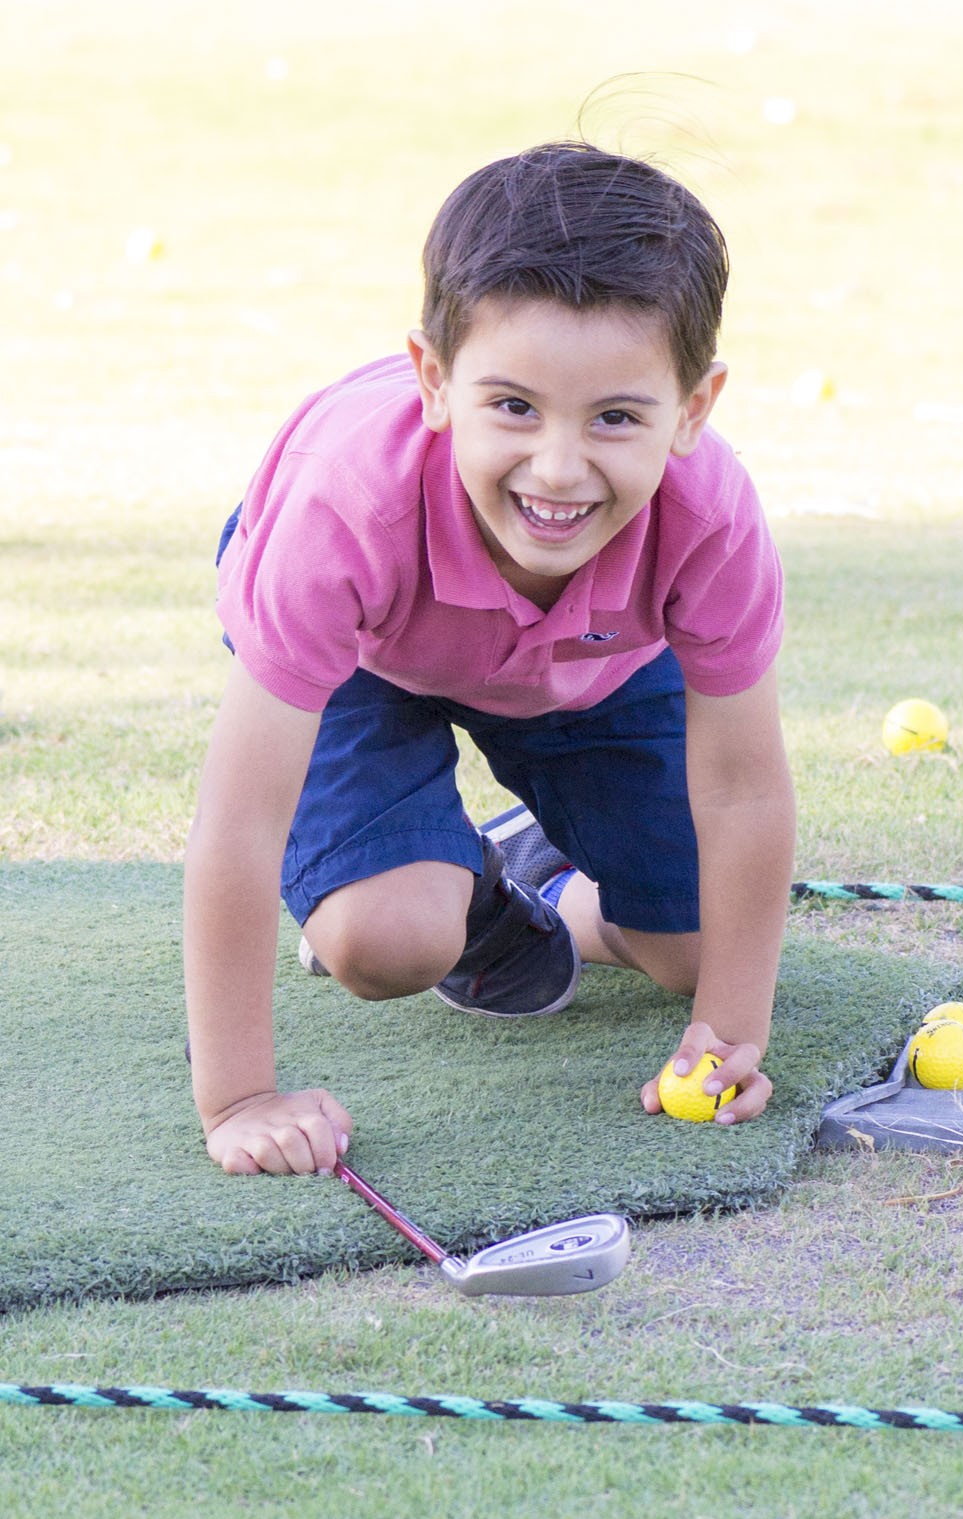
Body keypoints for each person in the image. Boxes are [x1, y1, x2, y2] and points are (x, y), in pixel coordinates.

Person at [183, 140, 796, 1176]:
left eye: (615, 417)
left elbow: (741, 793)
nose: (557, 468)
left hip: (585, 665)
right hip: (370, 658)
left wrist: (728, 1030)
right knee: (385, 939)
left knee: (704, 951)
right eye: (511, 405)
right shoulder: (340, 508)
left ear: (691, 410)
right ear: (433, 379)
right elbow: (242, 820)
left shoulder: (711, 520)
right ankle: (448, 889)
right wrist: (241, 1096)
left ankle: (544, 877)